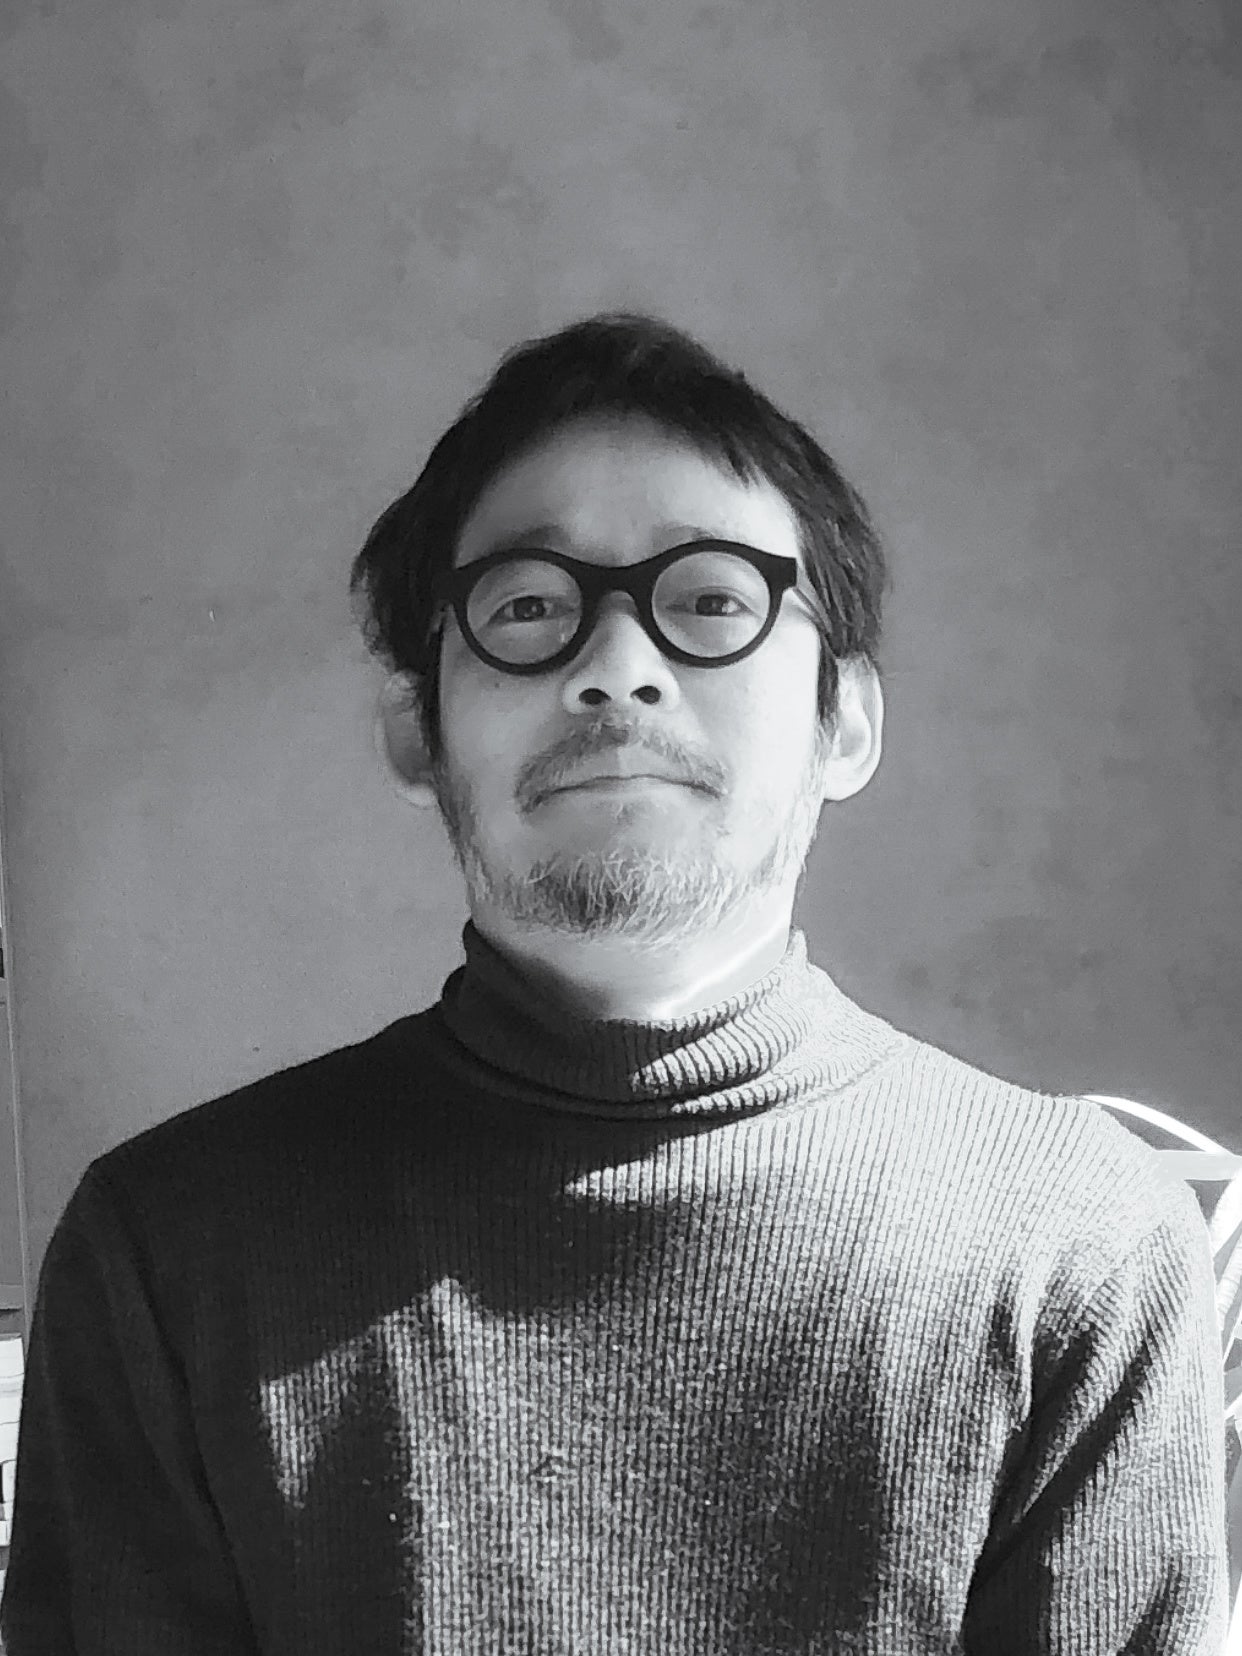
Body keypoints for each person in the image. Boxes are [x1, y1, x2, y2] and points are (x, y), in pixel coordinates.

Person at [0, 313, 1227, 1654]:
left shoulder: (1077, 1247)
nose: (617, 669)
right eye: (528, 605)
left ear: (846, 722)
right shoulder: (169, 1253)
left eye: (712, 600)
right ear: (416, 731)